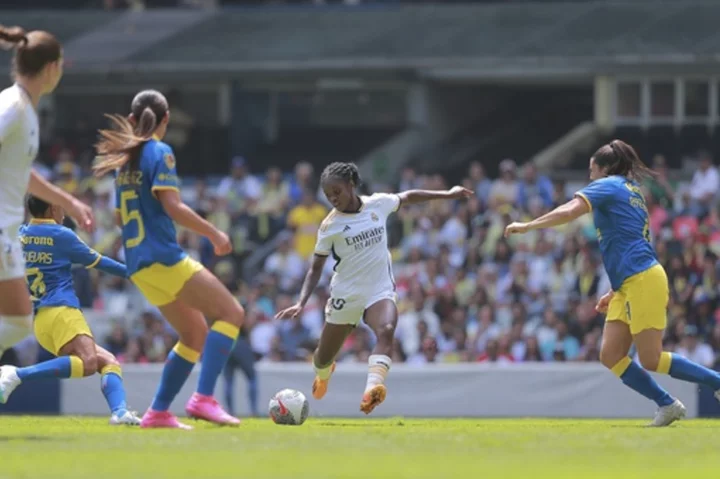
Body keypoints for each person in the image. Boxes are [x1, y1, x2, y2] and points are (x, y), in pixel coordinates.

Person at [504, 141, 720, 427]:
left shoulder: (607, 186)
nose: (589, 174)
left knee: (651, 358)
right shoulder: (630, 190)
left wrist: (528, 226)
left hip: (642, 279)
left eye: (591, 167)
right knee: (611, 355)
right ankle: (667, 404)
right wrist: (615, 288)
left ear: (604, 168)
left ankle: (716, 381)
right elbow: (629, 242)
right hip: (630, 281)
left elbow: (570, 211)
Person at [93, 90, 245, 429]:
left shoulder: (124, 161)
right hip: (163, 256)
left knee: (193, 333)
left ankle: (158, 412)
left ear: (131, 120)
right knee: (232, 313)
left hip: (139, 265)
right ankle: (203, 399)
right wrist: (214, 233)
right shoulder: (160, 152)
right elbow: (173, 206)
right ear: (166, 120)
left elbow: (119, 219)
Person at [276, 162, 472, 414]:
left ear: (351, 185)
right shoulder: (329, 226)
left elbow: (408, 196)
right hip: (346, 295)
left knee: (387, 329)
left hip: (378, 290)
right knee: (322, 358)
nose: (333, 198)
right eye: (328, 195)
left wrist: (446, 194)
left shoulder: (377, 203)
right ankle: (323, 374)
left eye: (337, 191)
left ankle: (372, 389)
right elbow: (315, 268)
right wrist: (301, 302)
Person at [0, 196, 139, 425]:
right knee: (88, 363)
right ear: (53, 208)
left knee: (109, 361)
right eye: (61, 207)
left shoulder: (20, 235)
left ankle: (120, 412)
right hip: (62, 311)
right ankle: (17, 374)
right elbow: (99, 262)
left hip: (41, 322)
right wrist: (133, 273)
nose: (64, 213)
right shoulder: (61, 235)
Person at [0, 25, 94, 360]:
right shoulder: (13, 106)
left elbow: (22, 171)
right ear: (52, 68)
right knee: (18, 321)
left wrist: (67, 201)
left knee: (18, 321)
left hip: (7, 231)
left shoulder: (25, 109)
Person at [222, 330, 259, 417]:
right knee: (252, 378)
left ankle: (230, 411)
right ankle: (253, 411)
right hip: (241, 342)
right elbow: (248, 325)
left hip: (228, 343)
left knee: (228, 381)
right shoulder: (242, 317)